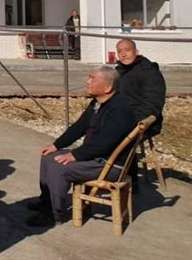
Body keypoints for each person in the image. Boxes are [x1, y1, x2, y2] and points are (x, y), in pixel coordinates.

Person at [27, 65, 137, 227]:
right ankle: (47, 202)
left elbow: (104, 143)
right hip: (96, 157)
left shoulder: (120, 109)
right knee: (48, 157)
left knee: (59, 168)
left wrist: (75, 155)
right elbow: (79, 127)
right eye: (89, 77)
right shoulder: (97, 103)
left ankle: (53, 214)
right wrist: (57, 145)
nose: (87, 82)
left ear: (107, 88)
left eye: (93, 79)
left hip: (109, 164)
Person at [115, 39, 166, 136]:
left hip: (142, 123)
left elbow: (152, 105)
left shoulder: (149, 72)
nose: (123, 54)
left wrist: (126, 122)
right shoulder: (119, 72)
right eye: (120, 51)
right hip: (120, 116)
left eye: (127, 50)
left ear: (136, 52)